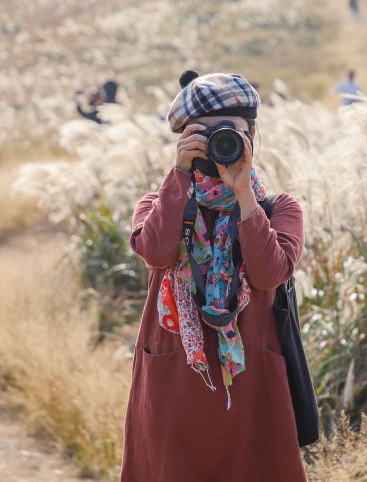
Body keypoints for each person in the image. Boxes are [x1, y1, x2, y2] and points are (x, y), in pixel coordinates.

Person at [121, 70, 308, 481]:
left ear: (252, 137)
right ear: (183, 141)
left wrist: (243, 196)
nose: (215, 144)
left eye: (228, 133)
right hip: (175, 381)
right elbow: (155, 252)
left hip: (252, 382)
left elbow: (268, 274)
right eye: (200, 135)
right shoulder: (158, 202)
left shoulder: (279, 209)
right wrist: (180, 177)